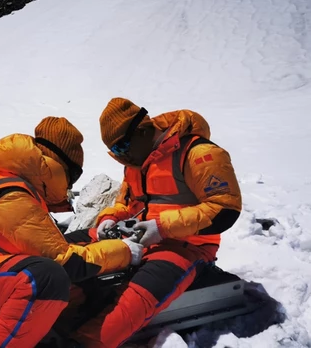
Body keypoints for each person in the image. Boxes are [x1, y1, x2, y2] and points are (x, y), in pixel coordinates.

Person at [0, 116, 144, 348]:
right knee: (45, 277)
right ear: (61, 167)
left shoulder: (14, 183)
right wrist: (124, 251)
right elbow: (67, 262)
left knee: (76, 241)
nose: (69, 185)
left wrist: (95, 237)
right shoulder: (11, 195)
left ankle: (48, 331)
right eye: (73, 176)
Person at [72, 97, 243, 347]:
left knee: (131, 303)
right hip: (137, 237)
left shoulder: (199, 154)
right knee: (67, 246)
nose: (122, 157)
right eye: (115, 152)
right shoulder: (135, 163)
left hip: (183, 246)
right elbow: (126, 204)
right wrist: (109, 219)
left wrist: (162, 228)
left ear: (142, 131)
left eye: (122, 147)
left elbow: (224, 209)